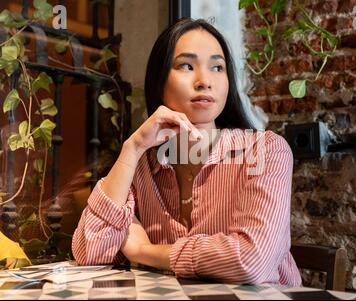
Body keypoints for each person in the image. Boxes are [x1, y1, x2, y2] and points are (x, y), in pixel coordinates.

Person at [72, 18, 301, 286]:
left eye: (217, 67)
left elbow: (251, 261)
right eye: (187, 66)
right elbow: (90, 252)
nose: (204, 81)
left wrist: (145, 252)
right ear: (159, 82)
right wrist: (132, 149)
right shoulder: (142, 165)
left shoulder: (265, 151)